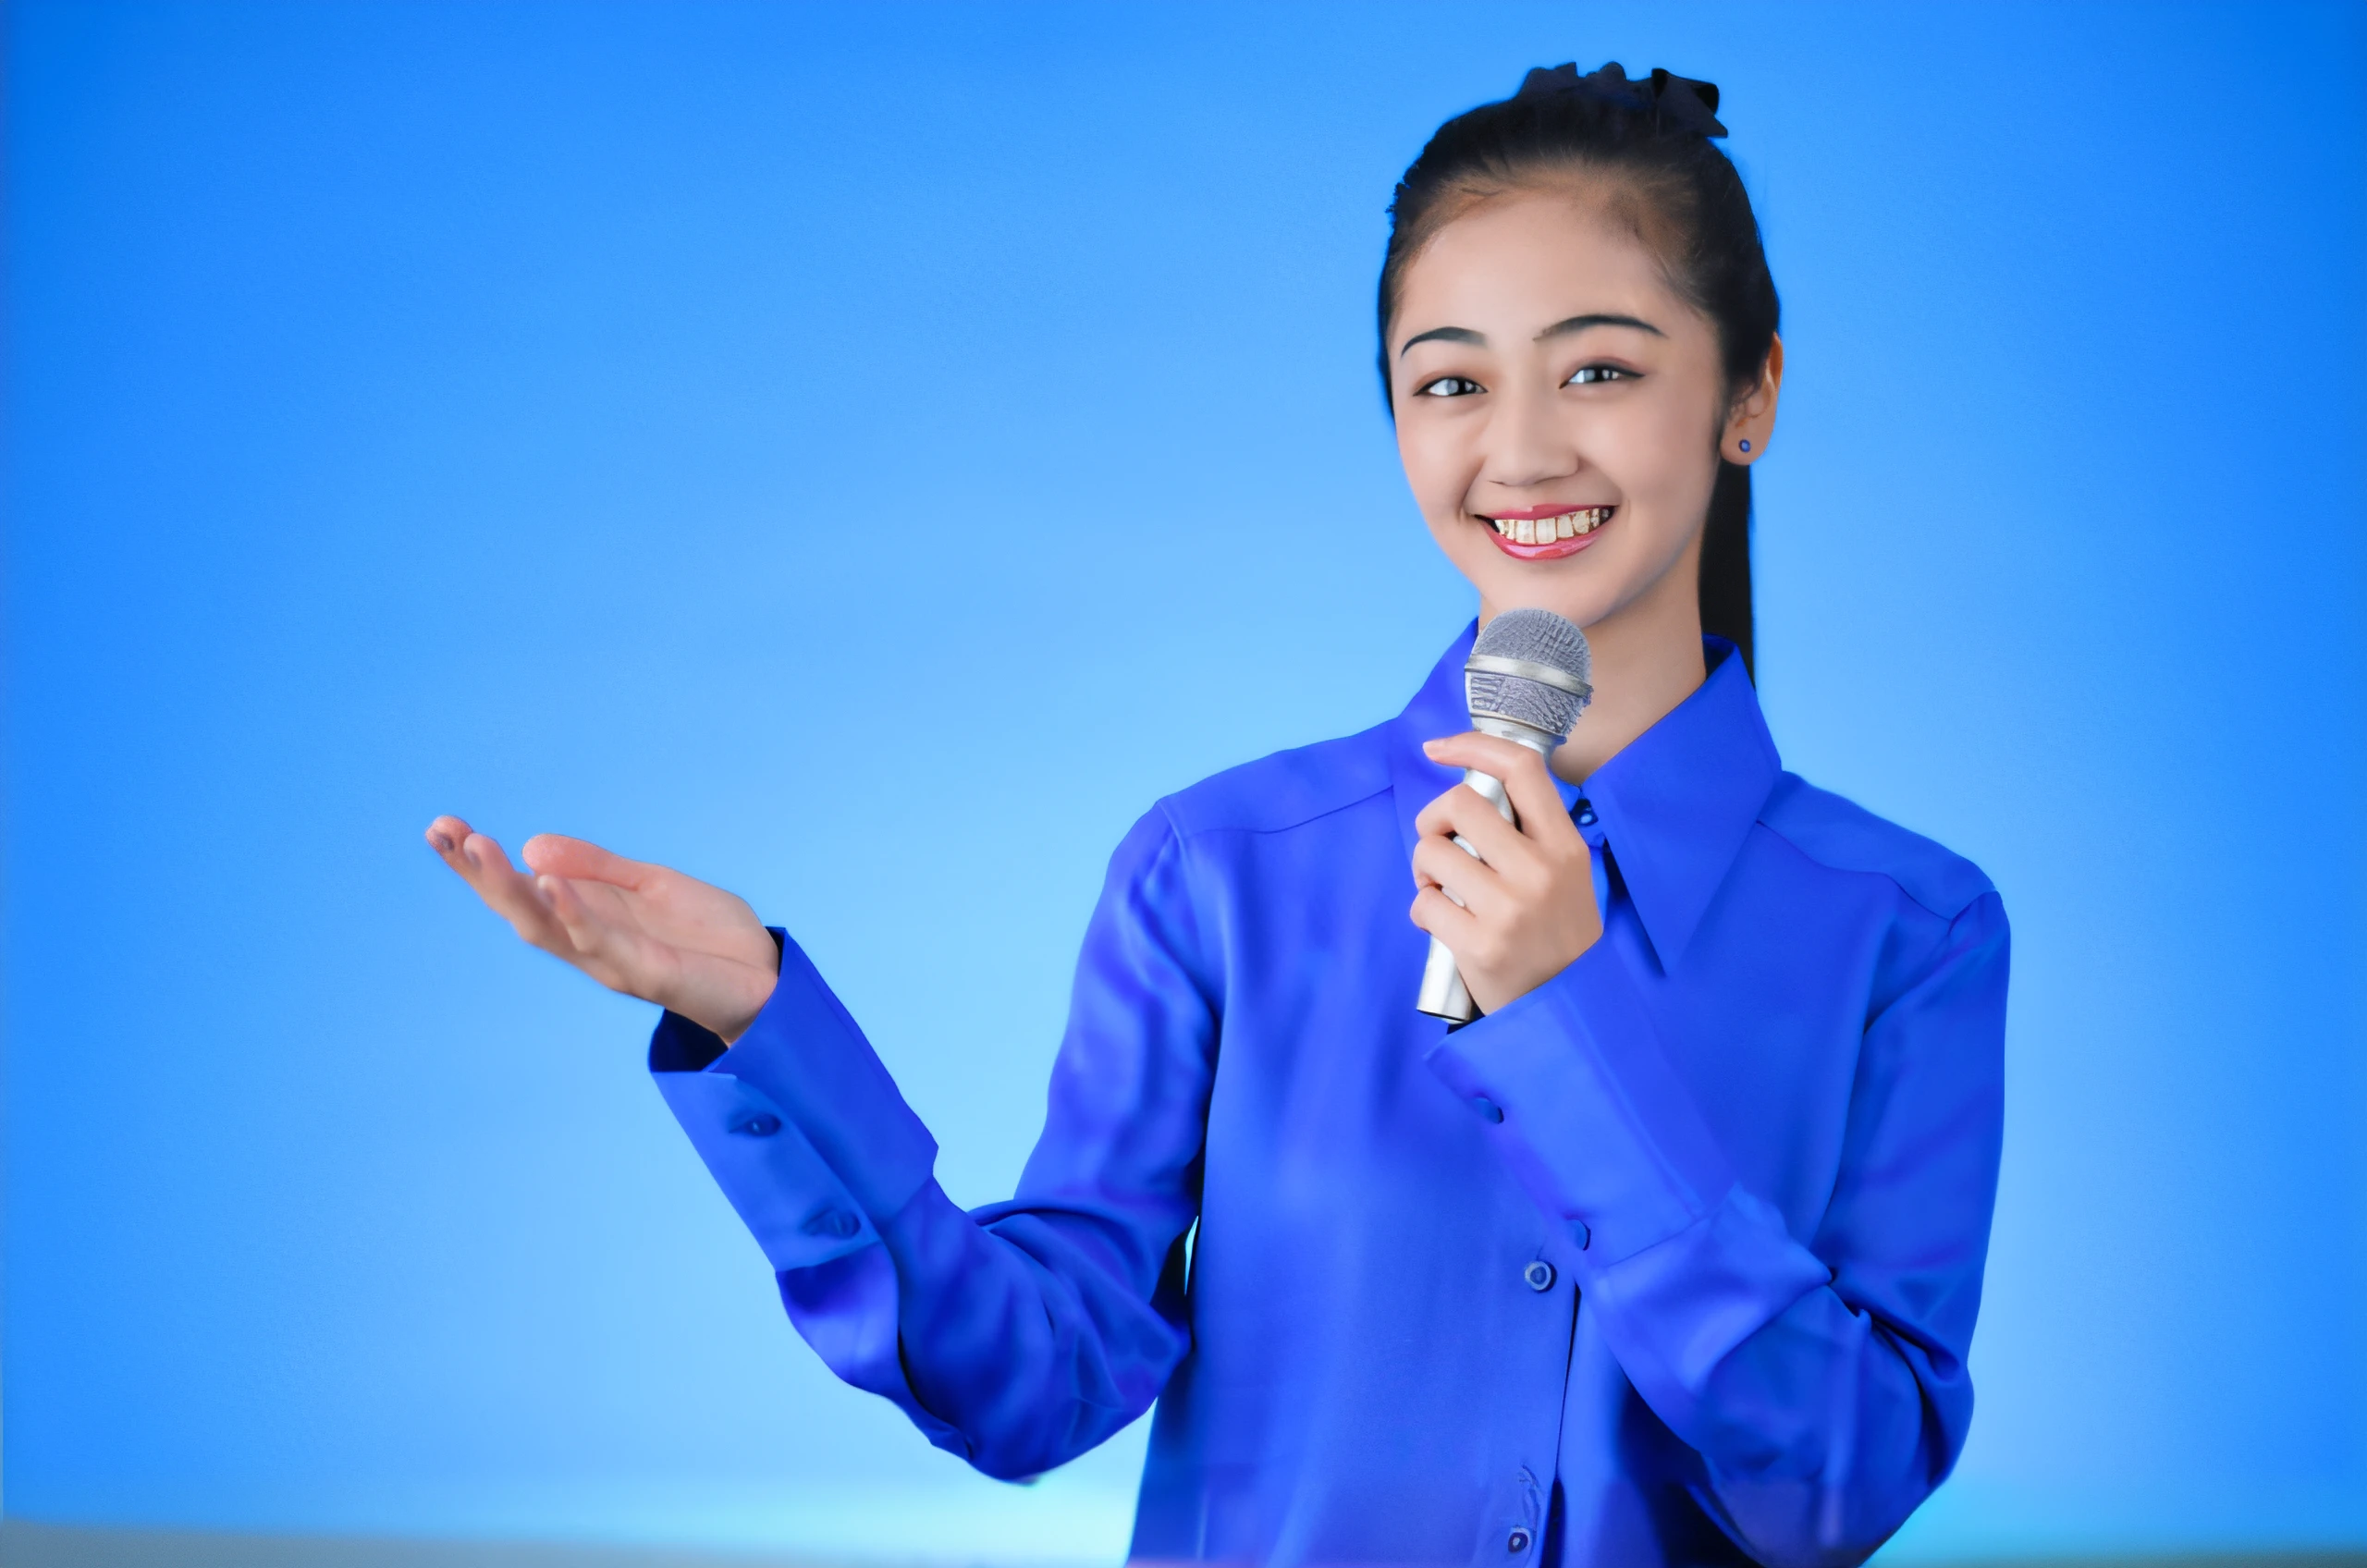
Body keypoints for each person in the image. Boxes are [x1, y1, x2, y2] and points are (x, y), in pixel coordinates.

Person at [426, 62, 2007, 1568]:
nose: (1521, 449)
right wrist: (764, 1028)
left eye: (1600, 367)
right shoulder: (1222, 873)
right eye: (1451, 380)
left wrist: (1563, 1019)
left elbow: (1837, 1499)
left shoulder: (1911, 934)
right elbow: (1028, 1382)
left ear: (1752, 394)